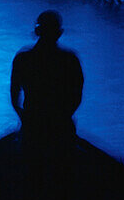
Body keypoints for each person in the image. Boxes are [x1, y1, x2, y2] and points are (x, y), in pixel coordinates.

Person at [10, 10, 83, 148]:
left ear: (37, 31)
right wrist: (62, 119)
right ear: (59, 33)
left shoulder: (22, 59)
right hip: (62, 130)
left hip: (31, 128)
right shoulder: (70, 60)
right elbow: (76, 97)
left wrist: (26, 119)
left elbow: (15, 98)